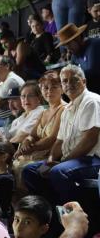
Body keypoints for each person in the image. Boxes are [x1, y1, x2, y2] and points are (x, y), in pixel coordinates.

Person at [23, 64, 100, 205]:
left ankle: (73, 213)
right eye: (65, 81)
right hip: (71, 159)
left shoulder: (91, 101)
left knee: (59, 171)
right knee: (31, 170)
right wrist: (50, 159)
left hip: (92, 159)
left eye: (74, 80)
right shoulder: (68, 109)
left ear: (84, 82)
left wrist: (62, 162)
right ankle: (51, 211)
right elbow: (59, 142)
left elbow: (90, 140)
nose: (69, 84)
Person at [57, 23, 100, 94]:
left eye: (68, 44)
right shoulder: (74, 54)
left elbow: (93, 72)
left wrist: (69, 78)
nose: (68, 48)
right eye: (65, 45)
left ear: (77, 38)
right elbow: (71, 71)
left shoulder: (94, 45)